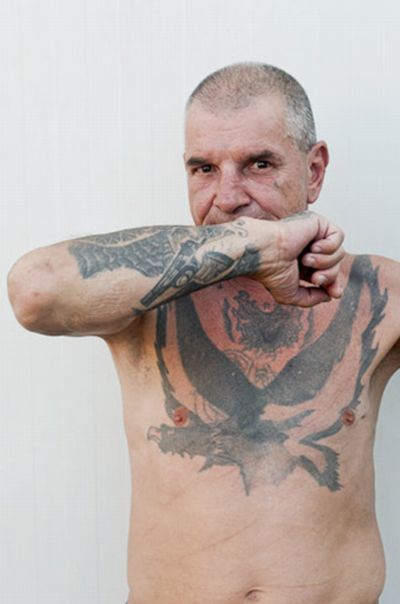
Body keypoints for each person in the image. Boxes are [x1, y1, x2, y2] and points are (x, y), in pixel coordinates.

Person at [7, 62, 400, 604]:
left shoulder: (375, 294)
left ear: (314, 171)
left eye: (259, 164)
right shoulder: (143, 297)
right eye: (204, 169)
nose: (228, 195)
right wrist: (257, 246)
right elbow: (34, 291)